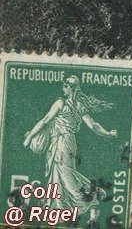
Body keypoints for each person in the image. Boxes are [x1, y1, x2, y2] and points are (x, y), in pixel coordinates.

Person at [23, 76, 119, 226]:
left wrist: (29, 138)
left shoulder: (60, 102)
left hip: (61, 142)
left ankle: (91, 198)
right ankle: (61, 206)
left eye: (65, 85)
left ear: (71, 88)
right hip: (68, 143)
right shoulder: (80, 105)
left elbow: (45, 120)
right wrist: (107, 133)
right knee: (61, 173)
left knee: (63, 173)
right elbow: (93, 125)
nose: (63, 87)